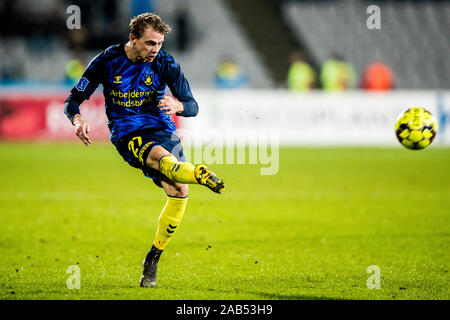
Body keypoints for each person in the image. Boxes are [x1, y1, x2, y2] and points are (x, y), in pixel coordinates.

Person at [63, 13, 225, 288]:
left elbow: (192, 105)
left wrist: (179, 106)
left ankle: (153, 257)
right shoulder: (108, 61)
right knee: (163, 160)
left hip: (162, 129)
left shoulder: (165, 62)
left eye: (159, 44)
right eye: (150, 43)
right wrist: (78, 120)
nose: (155, 49)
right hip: (127, 132)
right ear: (133, 38)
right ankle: (199, 173)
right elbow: (73, 100)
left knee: (178, 191)